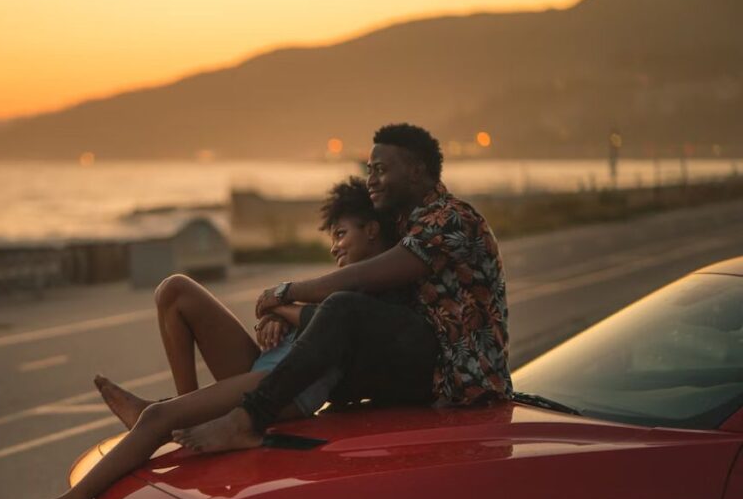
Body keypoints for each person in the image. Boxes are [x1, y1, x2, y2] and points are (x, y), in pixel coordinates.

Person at [0, 177, 401, 499]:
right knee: (175, 290)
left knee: (155, 420)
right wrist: (278, 315)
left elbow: (327, 320)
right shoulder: (343, 282)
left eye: (341, 235)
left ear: (371, 229)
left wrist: (280, 307)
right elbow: (302, 312)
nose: (335, 248)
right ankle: (184, 409)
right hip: (265, 368)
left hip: (285, 390)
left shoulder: (379, 287)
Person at [173, 122, 511, 453]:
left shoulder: (451, 218)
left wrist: (287, 293)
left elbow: (361, 279)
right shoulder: (404, 221)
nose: (372, 180)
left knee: (342, 308)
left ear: (415, 170)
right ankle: (189, 413)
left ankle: (246, 418)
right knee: (330, 338)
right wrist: (282, 316)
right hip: (420, 364)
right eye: (369, 170)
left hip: (461, 379)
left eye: (380, 170)